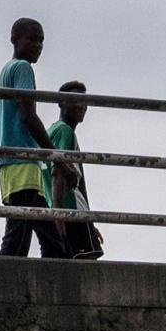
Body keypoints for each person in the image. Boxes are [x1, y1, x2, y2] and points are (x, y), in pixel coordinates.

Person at [0, 17, 66, 259]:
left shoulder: (1, 79)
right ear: (14, 40)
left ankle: (46, 287)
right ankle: (3, 288)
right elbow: (30, 117)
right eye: (32, 39)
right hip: (23, 166)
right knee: (19, 239)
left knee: (46, 237)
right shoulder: (21, 69)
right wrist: (58, 158)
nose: (38, 45)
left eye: (41, 40)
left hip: (9, 173)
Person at [45, 81, 102, 260]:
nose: (82, 106)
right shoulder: (64, 131)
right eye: (76, 100)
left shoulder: (52, 131)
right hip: (71, 211)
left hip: (61, 210)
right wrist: (60, 218)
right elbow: (58, 173)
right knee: (83, 268)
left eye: (84, 101)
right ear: (62, 103)